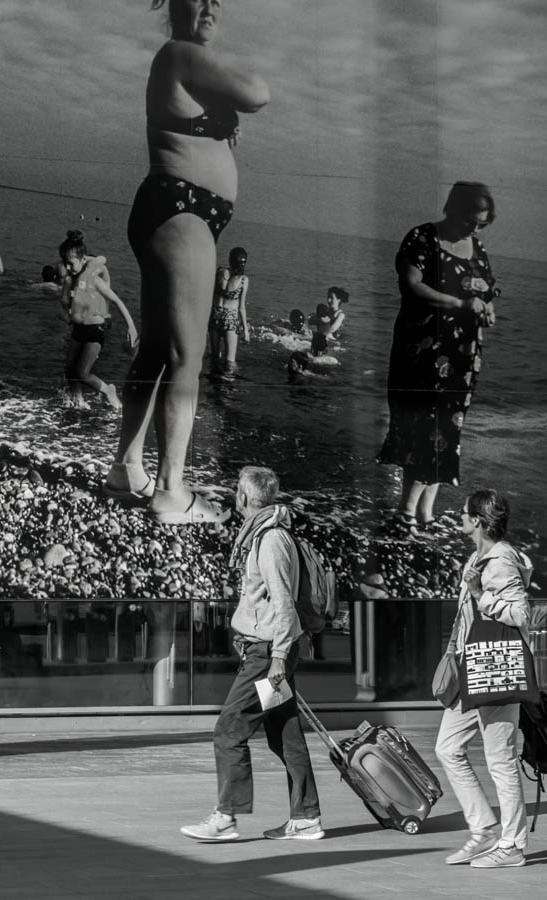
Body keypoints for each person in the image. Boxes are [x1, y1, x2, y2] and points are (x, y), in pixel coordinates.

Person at [104, 0, 269, 524]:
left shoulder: (179, 65)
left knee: (158, 349)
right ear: (177, 6)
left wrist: (218, 116)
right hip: (184, 210)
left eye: (217, 0)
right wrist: (229, 110)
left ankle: (127, 467)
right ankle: (171, 491)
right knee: (186, 357)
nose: (210, 7)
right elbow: (257, 92)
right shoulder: (181, 53)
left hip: (175, 209)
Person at [180, 466, 323, 842]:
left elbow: (283, 603)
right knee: (285, 735)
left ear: (243, 497)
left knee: (229, 730)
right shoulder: (264, 533)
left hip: (267, 655)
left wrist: (278, 658)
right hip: (266, 652)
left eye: (236, 491)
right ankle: (306, 817)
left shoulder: (271, 540)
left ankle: (226, 817)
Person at [377, 181, 499, 531]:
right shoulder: (422, 238)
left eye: (482, 224)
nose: (474, 229)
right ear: (452, 208)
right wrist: (459, 304)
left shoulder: (477, 247)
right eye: (470, 221)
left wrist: (486, 307)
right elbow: (411, 285)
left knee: (447, 429)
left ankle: (424, 513)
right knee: (424, 428)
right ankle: (406, 513)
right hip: (421, 350)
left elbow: (485, 291)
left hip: (463, 356)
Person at [434, 489, 532, 869]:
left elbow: (520, 614)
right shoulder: (477, 557)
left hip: (495, 671)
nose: (459, 517)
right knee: (447, 747)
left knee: (501, 760)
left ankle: (513, 845)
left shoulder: (501, 560)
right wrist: (452, 650)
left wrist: (479, 594)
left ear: (476, 520)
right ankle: (485, 829)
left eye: (463, 513)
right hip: (469, 669)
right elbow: (467, 616)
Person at [57, 231, 138, 409]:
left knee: (82, 373)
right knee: (69, 370)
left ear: (82, 259)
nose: (68, 267)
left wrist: (131, 326)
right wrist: (65, 313)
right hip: (79, 329)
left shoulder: (93, 278)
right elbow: (68, 304)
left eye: (71, 263)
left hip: (95, 331)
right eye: (65, 263)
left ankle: (108, 390)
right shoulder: (72, 279)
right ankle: (77, 401)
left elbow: (117, 301)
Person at [208, 246, 250, 378]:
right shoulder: (243, 280)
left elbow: (210, 294)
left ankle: (214, 383)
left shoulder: (219, 272)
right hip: (230, 319)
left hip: (215, 315)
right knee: (230, 362)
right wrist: (246, 330)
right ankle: (229, 385)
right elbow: (241, 307)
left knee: (215, 358)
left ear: (230, 259)